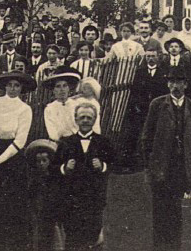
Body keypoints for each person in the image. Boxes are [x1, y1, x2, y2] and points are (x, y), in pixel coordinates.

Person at [141, 68, 191, 250]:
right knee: (159, 212)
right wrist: (149, 166)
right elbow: (146, 138)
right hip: (161, 167)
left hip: (181, 168)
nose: (175, 86)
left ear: (186, 85)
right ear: (168, 84)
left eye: (179, 82)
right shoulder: (157, 105)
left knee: (176, 211)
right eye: (172, 82)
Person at [0, 71, 35, 251]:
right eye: (10, 85)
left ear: (22, 89)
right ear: (4, 86)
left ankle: (15, 243)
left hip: (12, 156)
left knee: (13, 200)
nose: (13, 89)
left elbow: (20, 141)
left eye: (17, 86)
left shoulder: (25, 109)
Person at [55, 103, 115, 251]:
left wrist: (103, 166)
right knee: (72, 238)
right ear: (76, 119)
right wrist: (65, 168)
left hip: (94, 199)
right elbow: (53, 168)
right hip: (72, 200)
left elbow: (115, 164)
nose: (85, 120)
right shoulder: (66, 142)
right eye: (82, 117)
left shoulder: (104, 142)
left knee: (93, 237)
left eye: (89, 117)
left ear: (95, 119)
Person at [121, 48, 169, 171]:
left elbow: (165, 92)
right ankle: (134, 162)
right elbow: (135, 91)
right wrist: (137, 106)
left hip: (157, 110)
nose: (150, 59)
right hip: (141, 109)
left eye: (153, 56)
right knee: (137, 133)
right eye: (148, 56)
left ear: (158, 57)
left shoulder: (163, 73)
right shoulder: (140, 72)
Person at [24, 139, 61, 251]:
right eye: (38, 161)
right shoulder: (34, 179)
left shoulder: (56, 178)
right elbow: (31, 198)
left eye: (44, 160)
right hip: (38, 215)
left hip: (53, 216)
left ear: (50, 160)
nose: (41, 163)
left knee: (55, 240)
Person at [42, 66, 81, 141]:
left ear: (68, 88)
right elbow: (52, 132)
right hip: (59, 142)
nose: (62, 90)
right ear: (53, 90)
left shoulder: (77, 105)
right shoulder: (49, 109)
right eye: (58, 86)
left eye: (64, 86)